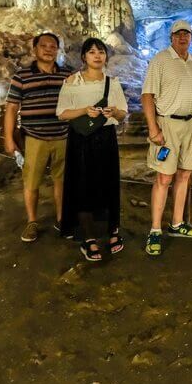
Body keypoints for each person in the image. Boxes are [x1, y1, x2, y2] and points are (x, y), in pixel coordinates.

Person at [56, 38, 128, 261]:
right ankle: (88, 238)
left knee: (107, 184)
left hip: (106, 137)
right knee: (83, 186)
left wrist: (113, 112)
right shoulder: (72, 82)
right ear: (84, 57)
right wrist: (84, 111)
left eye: (101, 52)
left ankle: (112, 231)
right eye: (91, 52)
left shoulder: (112, 82)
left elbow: (122, 113)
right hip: (81, 139)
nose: (97, 56)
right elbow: (62, 113)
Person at [141, 20, 192, 257]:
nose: (182, 38)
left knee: (186, 173)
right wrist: (153, 128)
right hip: (166, 125)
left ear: (191, 37)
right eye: (178, 34)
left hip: (190, 124)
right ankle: (155, 229)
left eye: (186, 34)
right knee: (164, 177)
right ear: (171, 37)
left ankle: (177, 223)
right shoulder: (160, 60)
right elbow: (147, 95)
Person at [4, 32, 72, 243]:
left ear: (57, 50)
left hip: (63, 136)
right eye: (44, 45)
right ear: (35, 49)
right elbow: (12, 108)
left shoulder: (68, 75)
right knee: (31, 182)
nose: (49, 49)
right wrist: (8, 138)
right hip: (34, 138)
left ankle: (61, 219)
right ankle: (32, 221)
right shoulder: (22, 76)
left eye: (53, 46)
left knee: (62, 181)